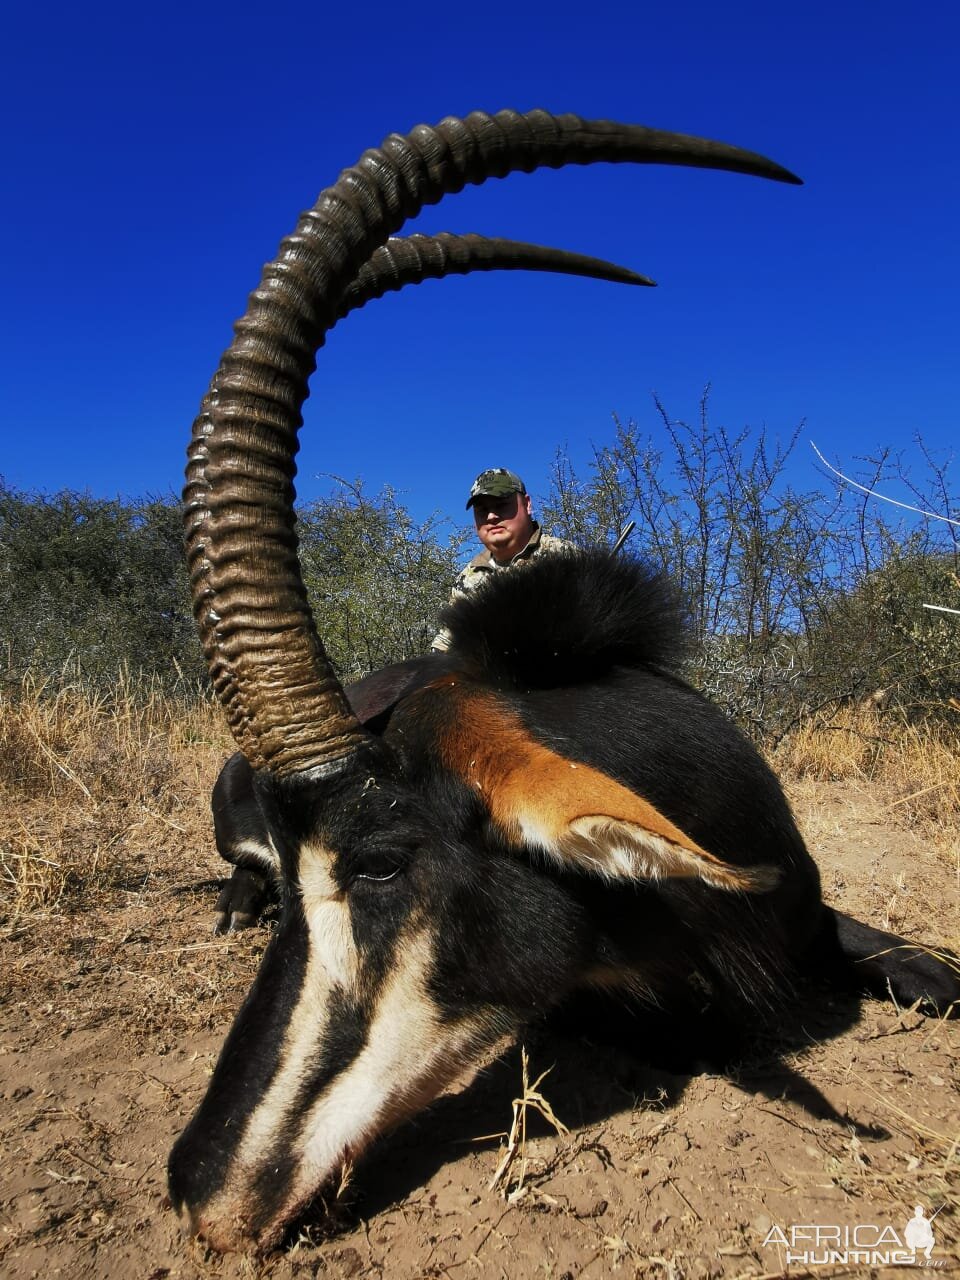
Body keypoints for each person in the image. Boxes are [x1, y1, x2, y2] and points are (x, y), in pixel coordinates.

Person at [430, 468, 572, 652]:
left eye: (501, 505)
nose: (491, 516)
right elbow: (447, 642)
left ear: (527, 504)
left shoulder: (564, 556)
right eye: (482, 510)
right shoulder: (468, 578)